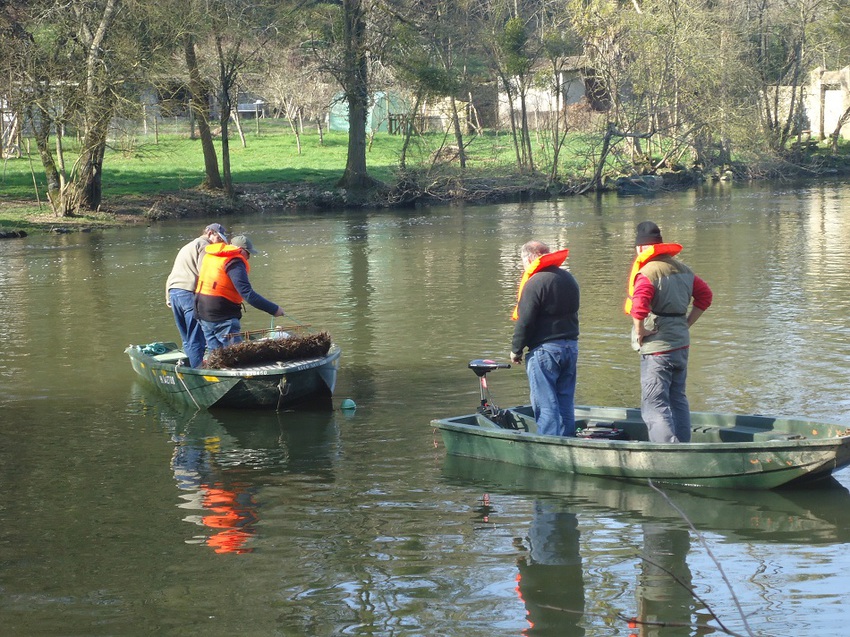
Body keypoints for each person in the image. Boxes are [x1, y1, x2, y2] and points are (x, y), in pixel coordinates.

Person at [625, 221, 713, 443]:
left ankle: (666, 454)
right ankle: (683, 446)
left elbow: (639, 307)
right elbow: (706, 297)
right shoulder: (683, 269)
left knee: (654, 403)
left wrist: (641, 331)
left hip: (658, 348)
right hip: (681, 345)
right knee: (678, 399)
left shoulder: (647, 272)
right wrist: (687, 323)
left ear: (641, 248)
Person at [510, 240, 580, 436]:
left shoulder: (534, 283)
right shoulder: (568, 278)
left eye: (523, 260)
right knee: (565, 402)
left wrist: (516, 349)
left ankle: (549, 448)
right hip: (571, 347)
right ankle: (569, 443)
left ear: (530, 258)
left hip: (545, 351)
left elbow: (525, 321)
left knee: (546, 404)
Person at [195, 234, 285, 358]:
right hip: (221, 314)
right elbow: (247, 293)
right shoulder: (234, 261)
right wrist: (274, 309)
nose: (248, 258)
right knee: (236, 355)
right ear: (241, 250)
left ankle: (219, 376)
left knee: (215, 354)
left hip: (201, 310)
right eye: (248, 254)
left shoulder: (212, 256)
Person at [165, 223, 228, 368]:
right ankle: (199, 372)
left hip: (174, 293)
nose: (220, 242)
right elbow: (204, 273)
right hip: (188, 293)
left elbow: (172, 273)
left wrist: (168, 297)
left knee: (187, 338)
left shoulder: (187, 246)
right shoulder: (205, 246)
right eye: (219, 238)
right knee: (196, 338)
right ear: (210, 233)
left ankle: (193, 368)